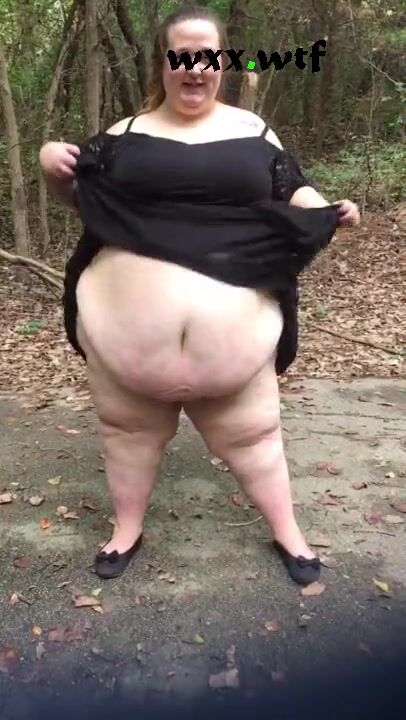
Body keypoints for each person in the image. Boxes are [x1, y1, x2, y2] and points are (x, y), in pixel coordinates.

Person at [39, 4, 360, 584]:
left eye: (207, 55)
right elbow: (80, 199)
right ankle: (126, 529)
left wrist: (328, 209)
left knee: (258, 438)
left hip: (235, 346)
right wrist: (50, 166)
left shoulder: (253, 131)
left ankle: (289, 533)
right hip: (125, 347)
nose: (195, 66)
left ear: (223, 62)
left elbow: (294, 189)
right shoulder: (123, 136)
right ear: (162, 62)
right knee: (127, 436)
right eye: (181, 55)